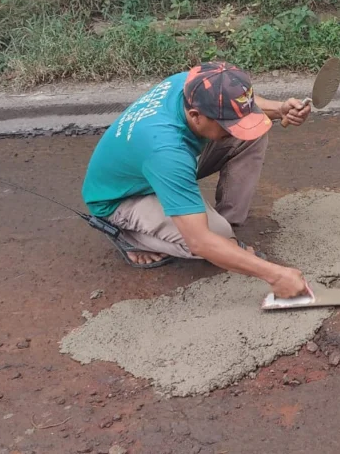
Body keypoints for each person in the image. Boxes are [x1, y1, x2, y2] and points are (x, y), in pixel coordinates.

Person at [80, 61, 310, 298]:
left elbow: (240, 105)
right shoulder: (167, 151)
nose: (234, 130)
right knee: (212, 239)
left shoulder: (196, 84)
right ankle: (129, 237)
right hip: (123, 197)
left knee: (253, 133)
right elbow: (199, 241)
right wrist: (275, 276)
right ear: (195, 116)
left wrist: (280, 108)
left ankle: (227, 229)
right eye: (228, 125)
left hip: (151, 169)